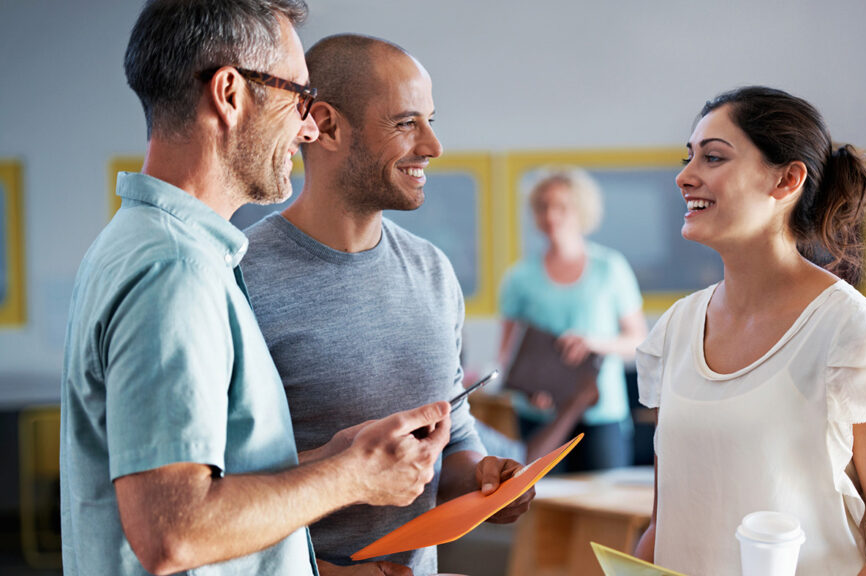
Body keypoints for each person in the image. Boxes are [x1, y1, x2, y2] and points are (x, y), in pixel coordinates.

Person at [60, 4, 452, 575]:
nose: (309, 127)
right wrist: (353, 476)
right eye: (298, 98)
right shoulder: (174, 270)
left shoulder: (155, 246)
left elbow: (201, 481)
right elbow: (174, 529)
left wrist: (333, 458)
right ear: (230, 93)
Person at [240, 34, 533, 576]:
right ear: (325, 125)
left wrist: (484, 479)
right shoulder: (239, 277)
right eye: (405, 123)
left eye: (430, 119)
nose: (433, 145)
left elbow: (453, 437)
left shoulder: (432, 271)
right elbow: (214, 493)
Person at [633, 86, 866, 575]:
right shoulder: (676, 329)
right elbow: (667, 525)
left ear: (786, 180)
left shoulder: (848, 331)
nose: (685, 176)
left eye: (713, 157)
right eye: (689, 157)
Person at [498, 166, 647, 472]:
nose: (551, 215)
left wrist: (594, 342)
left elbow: (639, 342)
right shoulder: (519, 278)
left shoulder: (611, 268)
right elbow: (506, 355)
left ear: (581, 211)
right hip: (539, 416)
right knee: (544, 510)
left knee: (604, 508)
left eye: (561, 206)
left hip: (602, 414)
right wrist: (529, 391)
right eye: (543, 206)